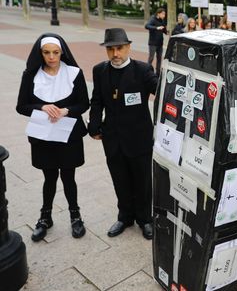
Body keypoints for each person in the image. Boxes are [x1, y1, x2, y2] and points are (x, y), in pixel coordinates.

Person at [16, 34, 89, 241]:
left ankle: (75, 216)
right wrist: (41, 106)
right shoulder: (31, 76)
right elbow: (21, 106)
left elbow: (84, 104)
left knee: (68, 176)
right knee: (49, 177)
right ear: (40, 53)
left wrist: (66, 110)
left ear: (62, 52)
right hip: (43, 136)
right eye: (46, 52)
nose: (51, 57)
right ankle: (45, 217)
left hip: (68, 135)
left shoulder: (74, 73)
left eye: (55, 52)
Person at [88, 28, 159, 240]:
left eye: (119, 48)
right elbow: (97, 100)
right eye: (111, 49)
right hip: (113, 138)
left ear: (128, 47)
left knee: (143, 181)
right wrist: (94, 125)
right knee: (120, 179)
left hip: (139, 138)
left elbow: (162, 92)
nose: (115, 54)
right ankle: (125, 216)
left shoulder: (143, 70)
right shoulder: (99, 70)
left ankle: (145, 219)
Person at [145, 7, 167, 75]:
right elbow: (147, 26)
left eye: (164, 14)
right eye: (163, 14)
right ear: (158, 13)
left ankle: (157, 73)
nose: (164, 15)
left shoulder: (162, 20)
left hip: (160, 43)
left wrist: (166, 31)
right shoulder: (153, 19)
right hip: (153, 43)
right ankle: (147, 71)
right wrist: (156, 28)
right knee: (151, 58)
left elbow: (163, 30)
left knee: (159, 58)